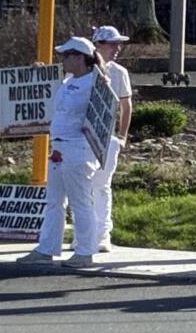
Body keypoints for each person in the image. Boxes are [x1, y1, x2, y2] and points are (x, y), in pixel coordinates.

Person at [18, 37, 106, 268]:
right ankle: (46, 248)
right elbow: (50, 84)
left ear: (79, 58)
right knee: (54, 201)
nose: (63, 60)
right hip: (59, 147)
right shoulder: (68, 82)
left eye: (67, 56)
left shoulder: (96, 84)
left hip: (78, 148)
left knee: (80, 201)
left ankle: (85, 252)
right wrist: (40, 72)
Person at [90, 25, 133, 253]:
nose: (117, 48)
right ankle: (84, 234)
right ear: (98, 45)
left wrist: (122, 135)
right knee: (82, 188)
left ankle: (102, 235)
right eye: (112, 43)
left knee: (102, 186)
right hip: (84, 138)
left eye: (118, 44)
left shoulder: (119, 72)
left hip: (108, 138)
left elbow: (126, 105)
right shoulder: (83, 69)